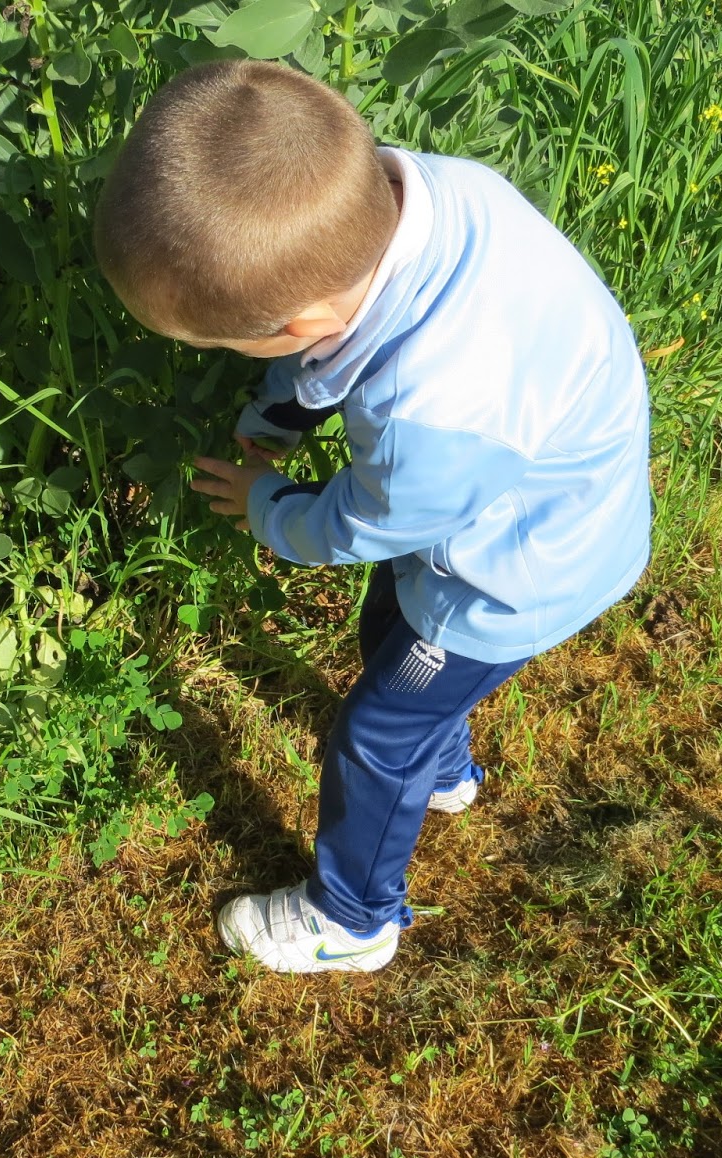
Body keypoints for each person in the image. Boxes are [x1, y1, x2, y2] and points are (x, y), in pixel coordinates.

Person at [92, 58, 651, 974]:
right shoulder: (432, 196)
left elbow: (360, 525)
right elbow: (329, 356)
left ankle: (352, 919)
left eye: (229, 345)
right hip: (538, 496)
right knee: (388, 627)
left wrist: (268, 505)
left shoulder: (431, 417)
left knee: (373, 732)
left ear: (304, 320)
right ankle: (445, 773)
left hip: (512, 576)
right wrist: (275, 414)